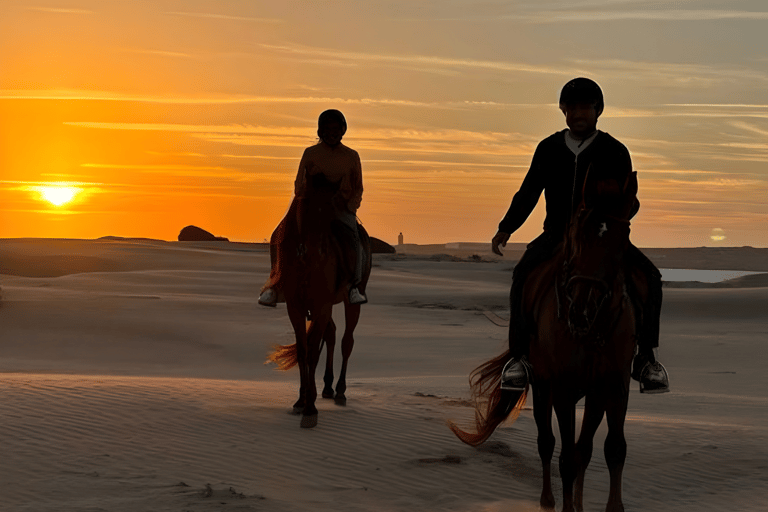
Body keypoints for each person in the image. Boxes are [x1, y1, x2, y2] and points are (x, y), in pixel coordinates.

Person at [492, 77, 669, 396]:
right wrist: (507, 226)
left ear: (598, 111)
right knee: (522, 274)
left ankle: (645, 359)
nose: (577, 114)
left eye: (584, 108)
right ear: (563, 112)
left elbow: (626, 200)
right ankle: (519, 358)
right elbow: (529, 191)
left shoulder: (615, 151)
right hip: (556, 235)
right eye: (571, 108)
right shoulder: (548, 148)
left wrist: (619, 216)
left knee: (651, 278)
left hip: (602, 238)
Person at [258, 109, 367, 307]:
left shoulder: (352, 156)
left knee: (354, 240)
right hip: (310, 204)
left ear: (342, 130)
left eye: (336, 129)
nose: (332, 133)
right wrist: (305, 200)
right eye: (327, 129)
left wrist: (351, 207)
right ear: (320, 131)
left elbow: (358, 187)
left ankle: (354, 286)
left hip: (340, 207)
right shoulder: (310, 154)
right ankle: (274, 284)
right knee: (278, 236)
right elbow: (299, 182)